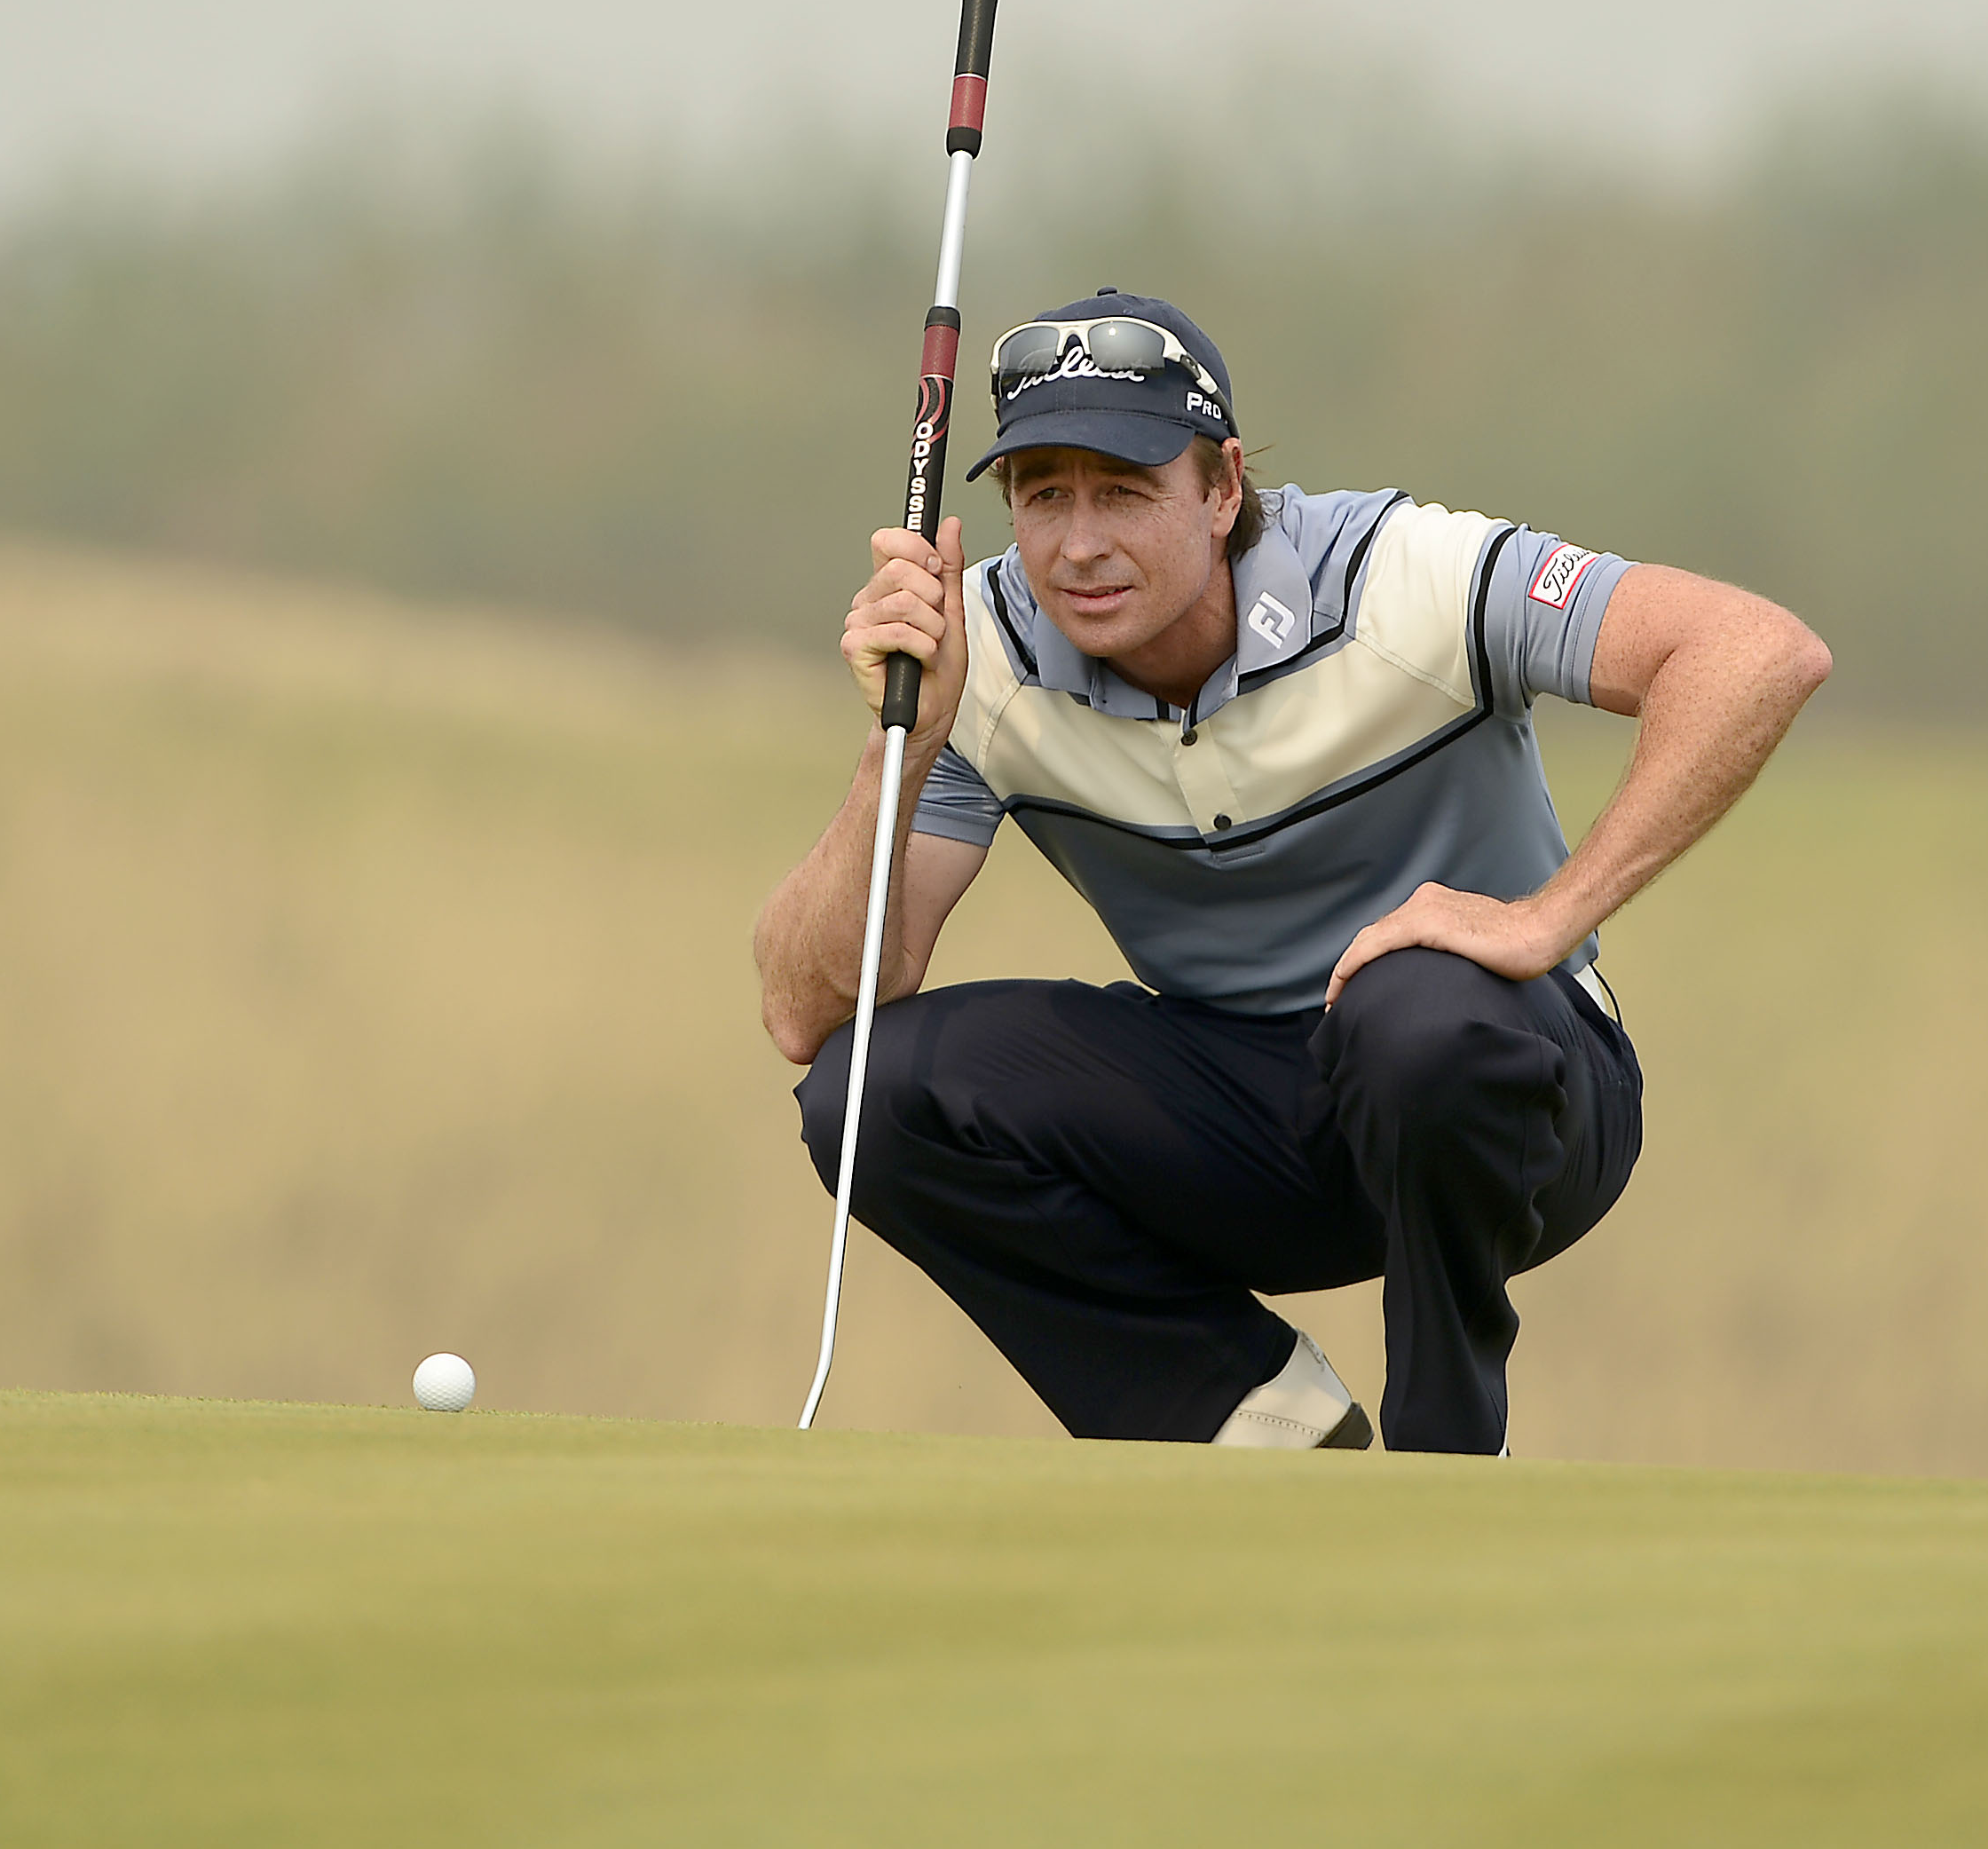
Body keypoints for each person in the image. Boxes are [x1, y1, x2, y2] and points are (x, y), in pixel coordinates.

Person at [753, 289, 1828, 1453]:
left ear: (1222, 488)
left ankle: (1448, 1458)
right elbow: (808, 1009)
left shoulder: (1405, 577)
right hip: (1246, 1117)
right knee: (867, 1094)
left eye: (1123, 491)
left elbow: (1754, 650)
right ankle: (1256, 1420)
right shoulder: (977, 653)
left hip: (1514, 1095)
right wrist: (902, 747)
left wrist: (1543, 920)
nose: (1078, 544)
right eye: (1043, 495)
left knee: (1415, 1012)